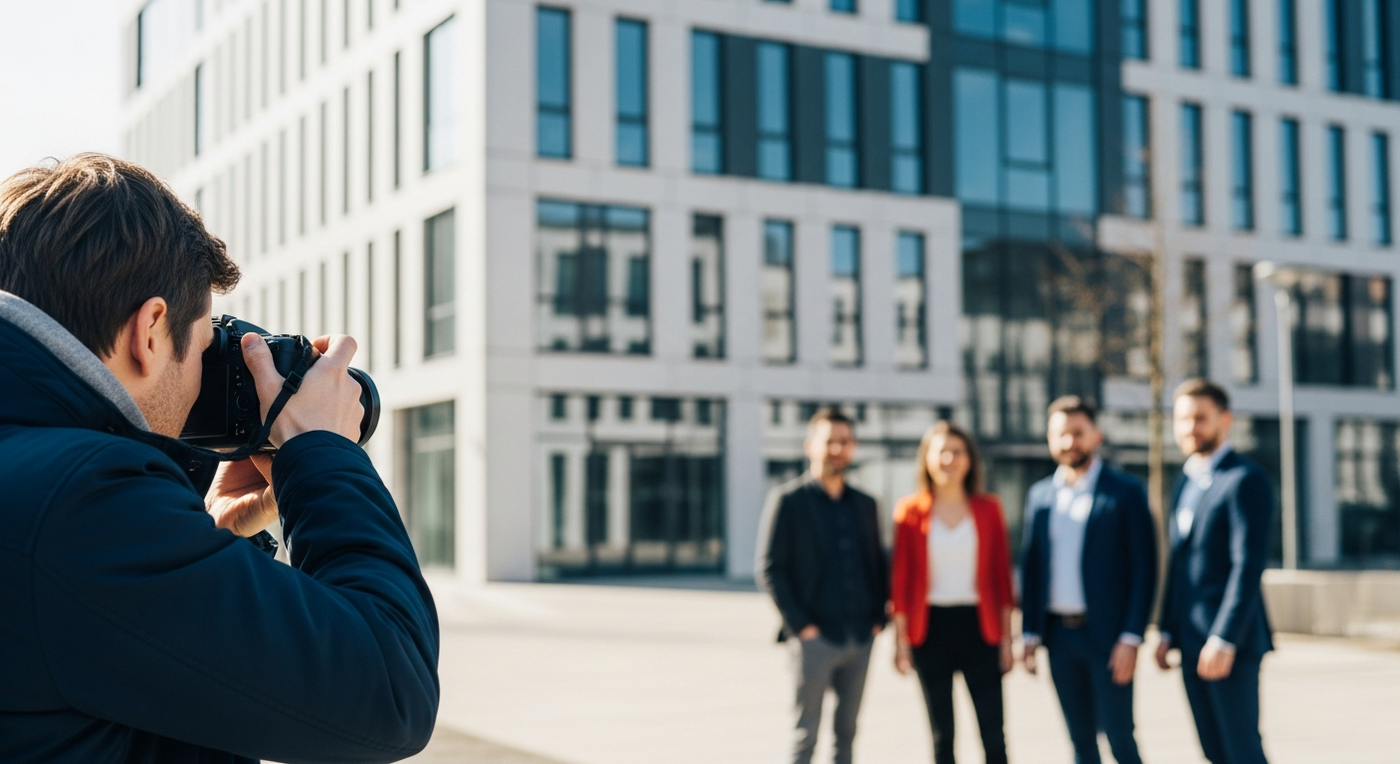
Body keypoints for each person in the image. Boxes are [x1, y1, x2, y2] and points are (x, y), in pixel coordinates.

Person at [0, 155, 438, 763]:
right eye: (204, 349)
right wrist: (324, 454)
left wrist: (197, 542)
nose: (201, 381)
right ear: (151, 330)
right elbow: (390, 691)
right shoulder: (79, 502)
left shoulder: (40, 485)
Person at [1019, 396, 1157, 764]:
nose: (1069, 442)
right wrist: (1029, 632)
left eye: (1077, 433)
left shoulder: (1125, 492)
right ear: (1049, 439)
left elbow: (1145, 569)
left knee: (1120, 739)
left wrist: (1131, 636)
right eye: (1060, 434)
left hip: (1109, 638)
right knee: (1080, 742)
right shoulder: (1040, 496)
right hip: (1059, 638)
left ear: (1095, 435)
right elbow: (1032, 569)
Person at [756, 407, 889, 764]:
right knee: (805, 735)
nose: (837, 449)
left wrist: (879, 617)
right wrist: (802, 627)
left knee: (847, 735)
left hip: (860, 637)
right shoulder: (788, 501)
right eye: (830, 441)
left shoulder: (865, 504)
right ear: (810, 445)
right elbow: (770, 569)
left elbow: (877, 564)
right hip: (815, 639)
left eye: (845, 442)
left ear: (854, 447)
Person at [1155, 379, 1274, 764]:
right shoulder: (1186, 481)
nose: (1191, 428)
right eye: (1183, 420)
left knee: (1242, 751)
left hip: (1229, 643)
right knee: (1213, 752)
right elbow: (1181, 563)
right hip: (1189, 641)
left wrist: (1224, 637)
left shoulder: (1245, 479)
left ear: (1226, 420)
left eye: (1201, 418)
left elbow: (1248, 565)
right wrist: (1166, 627)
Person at [889, 421, 1014, 764]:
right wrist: (900, 643)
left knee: (994, 735)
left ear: (969, 460)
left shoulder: (989, 509)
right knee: (942, 737)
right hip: (930, 631)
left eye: (957, 452)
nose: (949, 459)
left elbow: (1002, 580)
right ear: (927, 459)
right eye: (940, 451)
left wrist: (1007, 639)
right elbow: (901, 582)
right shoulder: (909, 511)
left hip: (980, 628)